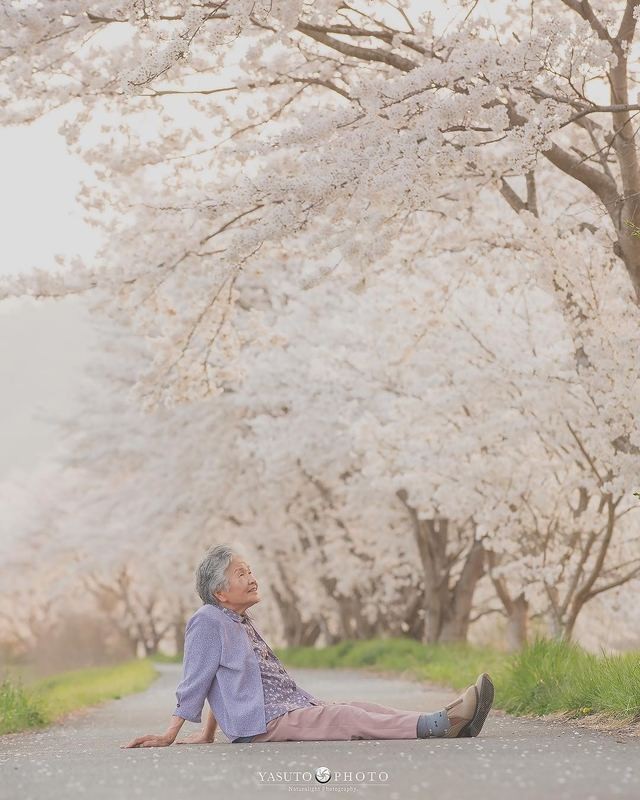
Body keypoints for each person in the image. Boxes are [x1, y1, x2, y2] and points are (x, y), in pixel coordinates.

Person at [122, 544, 494, 748]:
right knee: (346, 719)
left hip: (285, 708)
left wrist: (207, 733)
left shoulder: (235, 619)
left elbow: (225, 681)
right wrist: (171, 732)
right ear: (220, 592)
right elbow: (197, 680)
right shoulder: (207, 620)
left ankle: (446, 721)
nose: (252, 578)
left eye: (250, 570)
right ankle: (440, 725)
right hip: (265, 721)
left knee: (358, 707)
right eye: (241, 574)